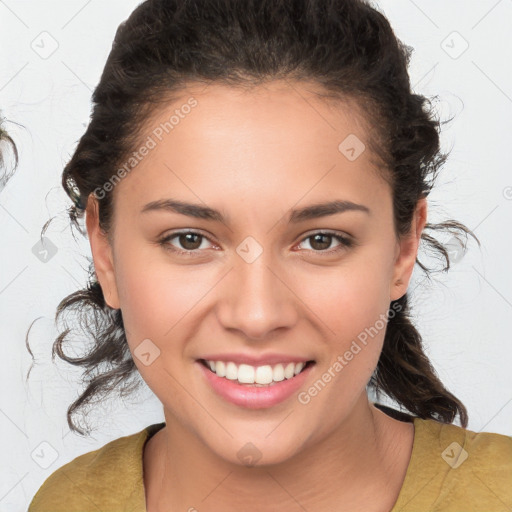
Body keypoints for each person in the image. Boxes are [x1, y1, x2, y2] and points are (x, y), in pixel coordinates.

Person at [27, 0, 512, 510]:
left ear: (402, 249)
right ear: (105, 252)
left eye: (321, 240)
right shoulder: (67, 501)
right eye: (189, 239)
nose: (257, 316)